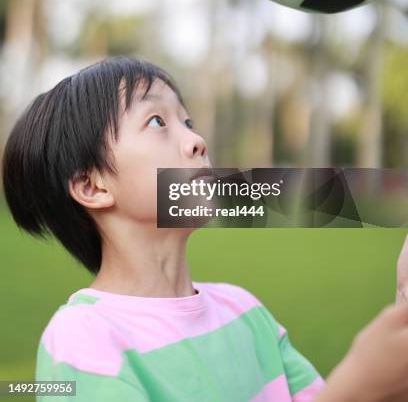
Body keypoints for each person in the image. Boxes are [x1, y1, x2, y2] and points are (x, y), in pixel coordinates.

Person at [2, 55, 408, 402]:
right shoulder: (83, 338)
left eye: (188, 120)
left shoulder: (245, 312)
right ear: (93, 186)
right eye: (157, 120)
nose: (196, 140)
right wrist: (356, 388)